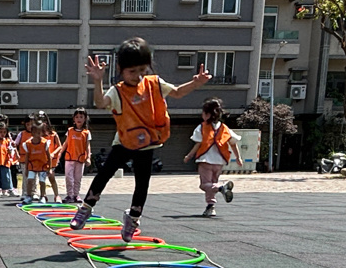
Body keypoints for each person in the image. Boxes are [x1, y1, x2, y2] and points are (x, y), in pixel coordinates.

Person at [70, 37, 211, 240]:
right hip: (124, 142)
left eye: (142, 70)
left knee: (142, 183)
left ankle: (133, 217)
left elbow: (178, 92)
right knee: (105, 173)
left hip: (147, 143)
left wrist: (196, 83)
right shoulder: (118, 91)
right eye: (132, 71)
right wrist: (98, 80)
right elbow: (100, 103)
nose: (138, 76)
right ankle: (86, 207)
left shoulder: (154, 84)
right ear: (121, 69)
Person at [183, 97, 241, 218]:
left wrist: (189, 155)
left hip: (205, 160)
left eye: (203, 113)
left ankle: (221, 187)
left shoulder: (202, 127)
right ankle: (211, 207)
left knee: (205, 185)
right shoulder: (225, 128)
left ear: (208, 114)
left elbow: (198, 143)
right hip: (219, 162)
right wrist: (238, 158)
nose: (202, 115)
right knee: (212, 184)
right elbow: (233, 143)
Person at [56, 108, 91, 202]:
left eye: (81, 117)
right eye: (77, 117)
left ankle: (76, 195)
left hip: (80, 159)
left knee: (77, 178)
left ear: (85, 118)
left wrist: (88, 157)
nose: (79, 119)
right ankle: (69, 195)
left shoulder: (86, 133)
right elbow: (66, 143)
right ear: (74, 119)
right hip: (69, 158)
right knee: (69, 177)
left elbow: (88, 146)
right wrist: (60, 153)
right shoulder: (70, 130)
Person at [20, 121, 57, 203]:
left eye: (40, 133)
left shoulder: (45, 143)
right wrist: (26, 168)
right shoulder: (28, 143)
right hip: (32, 166)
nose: (38, 135)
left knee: (42, 181)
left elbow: (48, 156)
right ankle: (28, 196)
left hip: (42, 166)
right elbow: (27, 157)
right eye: (36, 132)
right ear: (32, 133)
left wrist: (50, 168)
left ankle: (42, 196)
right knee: (30, 180)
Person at [38, 112, 63, 202]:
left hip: (51, 161)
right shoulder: (38, 135)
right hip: (41, 160)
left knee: (51, 177)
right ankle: (43, 195)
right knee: (42, 179)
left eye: (44, 121)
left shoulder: (53, 134)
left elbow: (60, 146)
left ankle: (57, 195)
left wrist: (53, 153)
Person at [0, 123, 16, 197]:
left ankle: (10, 189)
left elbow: (12, 151)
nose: (2, 134)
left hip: (5, 161)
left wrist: (10, 151)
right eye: (1, 132)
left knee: (7, 176)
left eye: (4, 132)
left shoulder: (7, 141)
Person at [15, 114, 35, 202]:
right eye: (28, 124)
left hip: (35, 159)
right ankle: (25, 193)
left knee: (34, 177)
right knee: (25, 176)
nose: (30, 126)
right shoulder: (21, 134)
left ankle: (34, 193)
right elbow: (15, 144)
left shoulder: (37, 134)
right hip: (24, 159)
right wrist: (16, 154)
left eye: (32, 124)